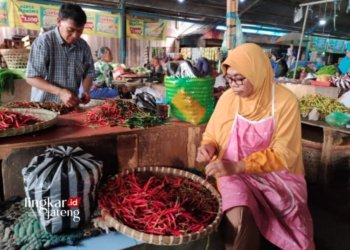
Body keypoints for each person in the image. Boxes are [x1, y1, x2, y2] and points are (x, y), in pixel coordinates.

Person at [196, 43, 314, 250]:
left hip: (274, 173)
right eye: (229, 78)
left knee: (292, 217)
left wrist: (239, 166)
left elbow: (284, 153)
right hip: (230, 170)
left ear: (257, 73)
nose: (233, 84)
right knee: (240, 216)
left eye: (239, 78)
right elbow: (212, 134)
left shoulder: (285, 102)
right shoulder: (227, 98)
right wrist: (208, 147)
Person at [26, 3, 94, 107]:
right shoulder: (43, 43)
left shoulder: (83, 47)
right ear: (59, 22)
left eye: (80, 31)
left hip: (71, 108)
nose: (75, 35)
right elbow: (31, 78)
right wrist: (60, 92)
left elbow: (89, 72)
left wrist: (85, 90)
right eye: (70, 30)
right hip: (44, 107)